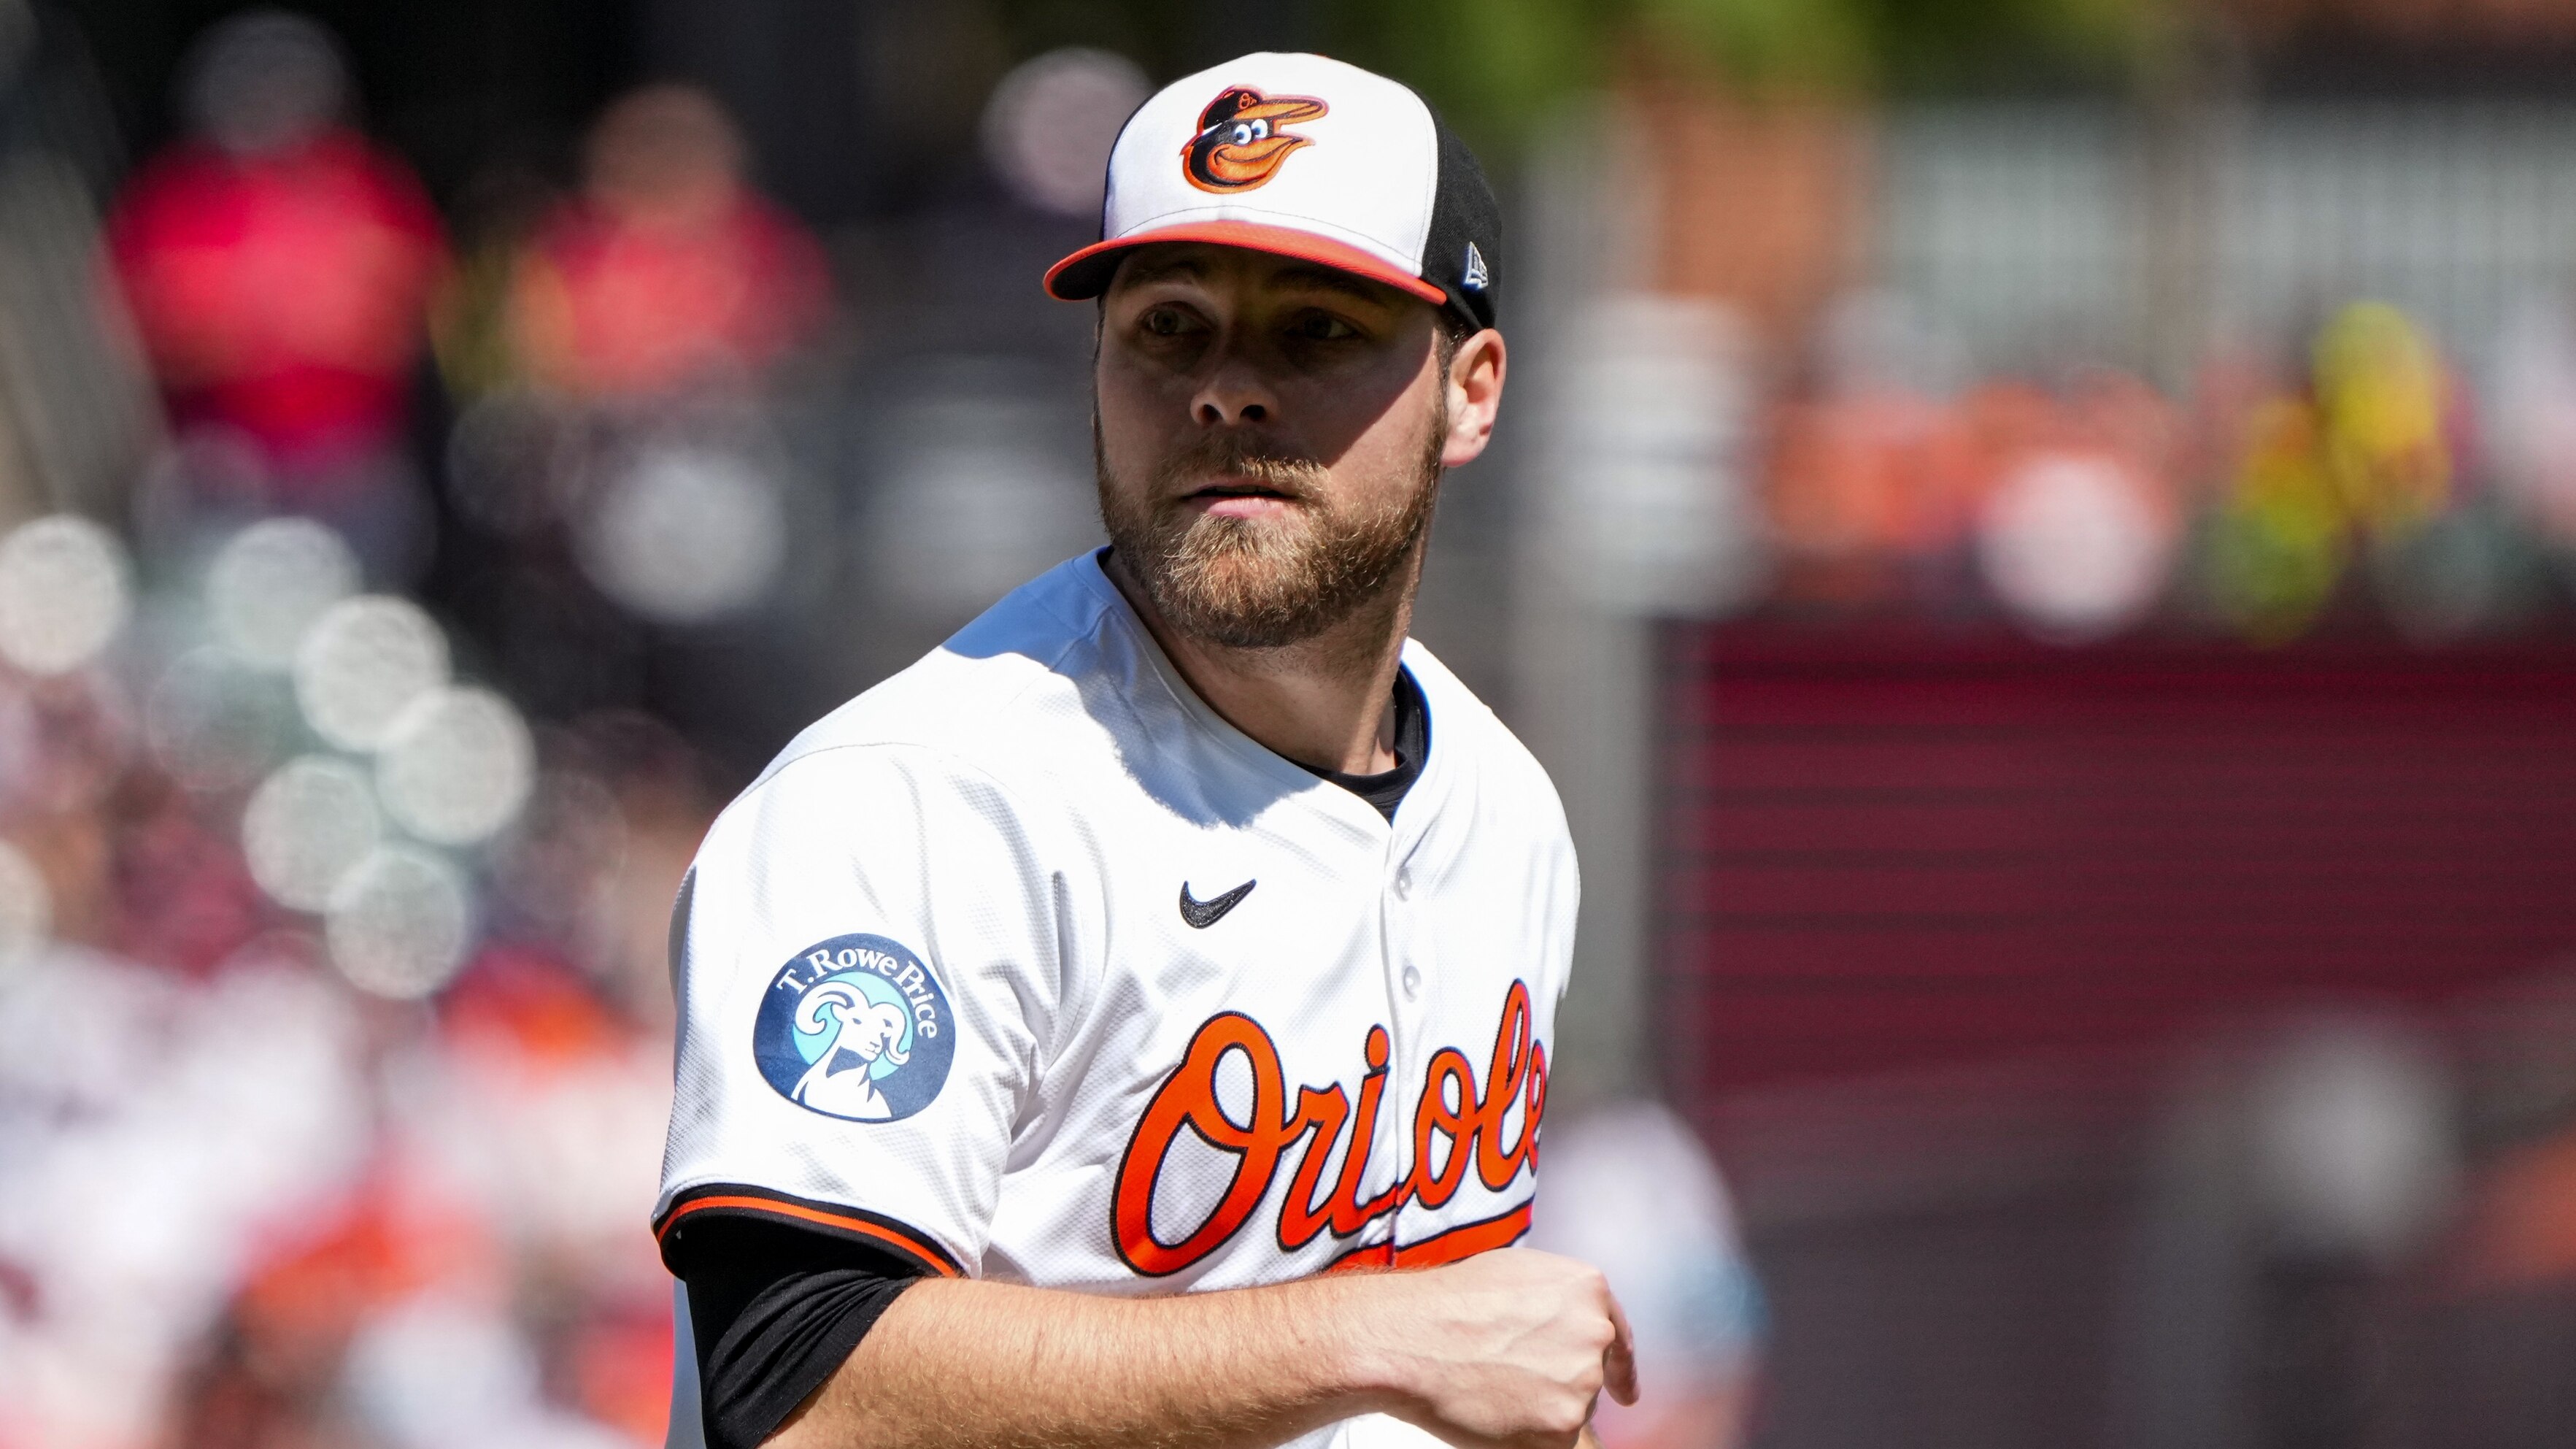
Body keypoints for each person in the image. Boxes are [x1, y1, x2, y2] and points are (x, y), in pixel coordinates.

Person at [654, 52, 1634, 1449]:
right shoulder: (914, 803)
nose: (1226, 391)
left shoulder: (1509, 811)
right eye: (1168, 329)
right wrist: (1380, 1332)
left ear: (1471, 391)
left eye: (1314, 329)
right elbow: (802, 1388)